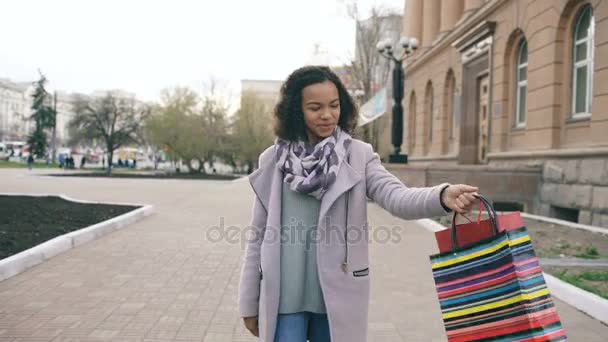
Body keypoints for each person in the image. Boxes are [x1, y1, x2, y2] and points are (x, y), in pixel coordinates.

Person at [238, 66, 478, 342]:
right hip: (284, 298)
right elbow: (257, 236)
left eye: (334, 105)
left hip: (337, 297)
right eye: (315, 107)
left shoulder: (358, 155)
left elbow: (396, 197)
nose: (327, 115)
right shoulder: (273, 160)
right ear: (296, 111)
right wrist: (248, 301)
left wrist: (441, 196)